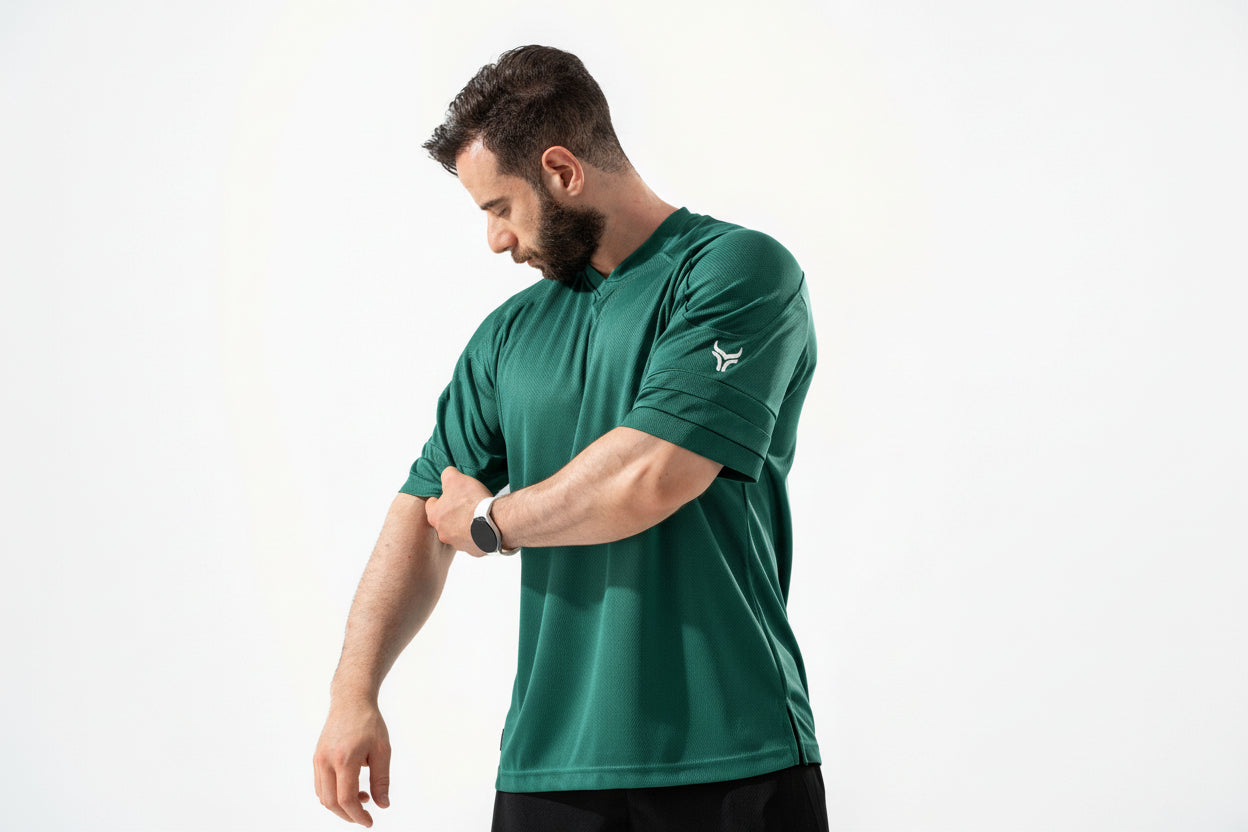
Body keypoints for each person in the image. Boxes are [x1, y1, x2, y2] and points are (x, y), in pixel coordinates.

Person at [313, 45, 828, 831]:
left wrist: (489, 521)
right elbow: (422, 511)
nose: (495, 240)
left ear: (560, 170)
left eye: (499, 208)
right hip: (547, 766)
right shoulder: (509, 334)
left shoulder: (735, 272)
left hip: (732, 752)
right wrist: (353, 695)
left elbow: (650, 475)